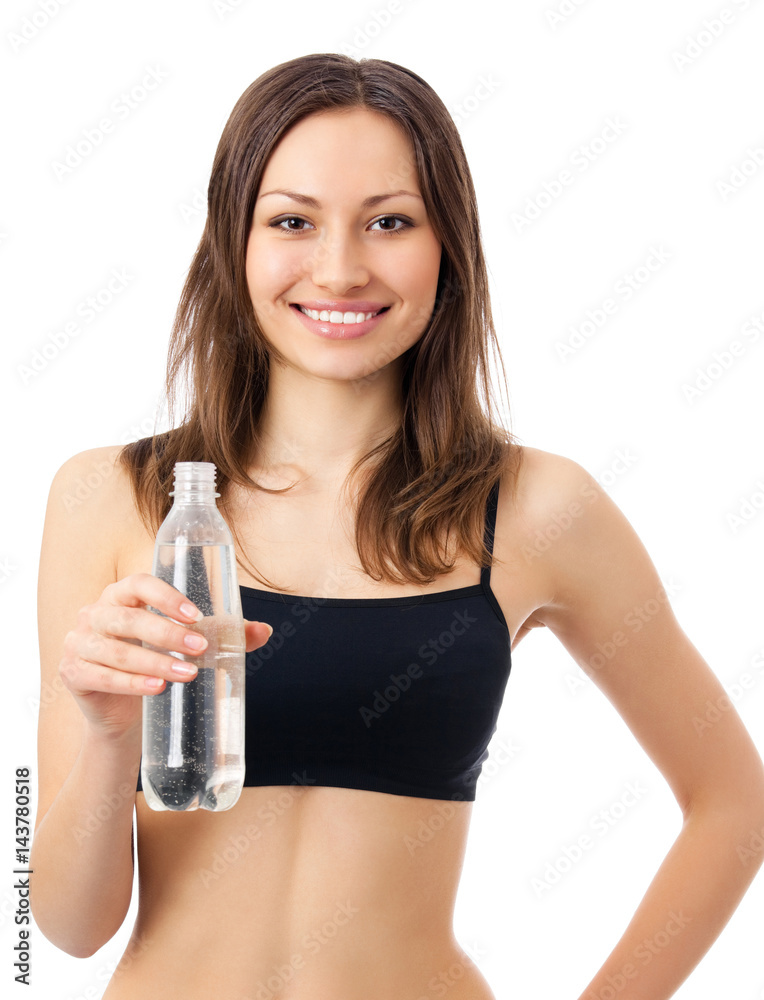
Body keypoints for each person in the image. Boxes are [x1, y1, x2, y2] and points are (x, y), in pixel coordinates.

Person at [30, 53, 764, 1000]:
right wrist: (104, 735)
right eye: (291, 221)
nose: (339, 267)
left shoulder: (541, 508)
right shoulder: (114, 497)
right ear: (232, 243)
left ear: (447, 243)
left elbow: (735, 802)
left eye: (389, 221)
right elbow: (65, 925)